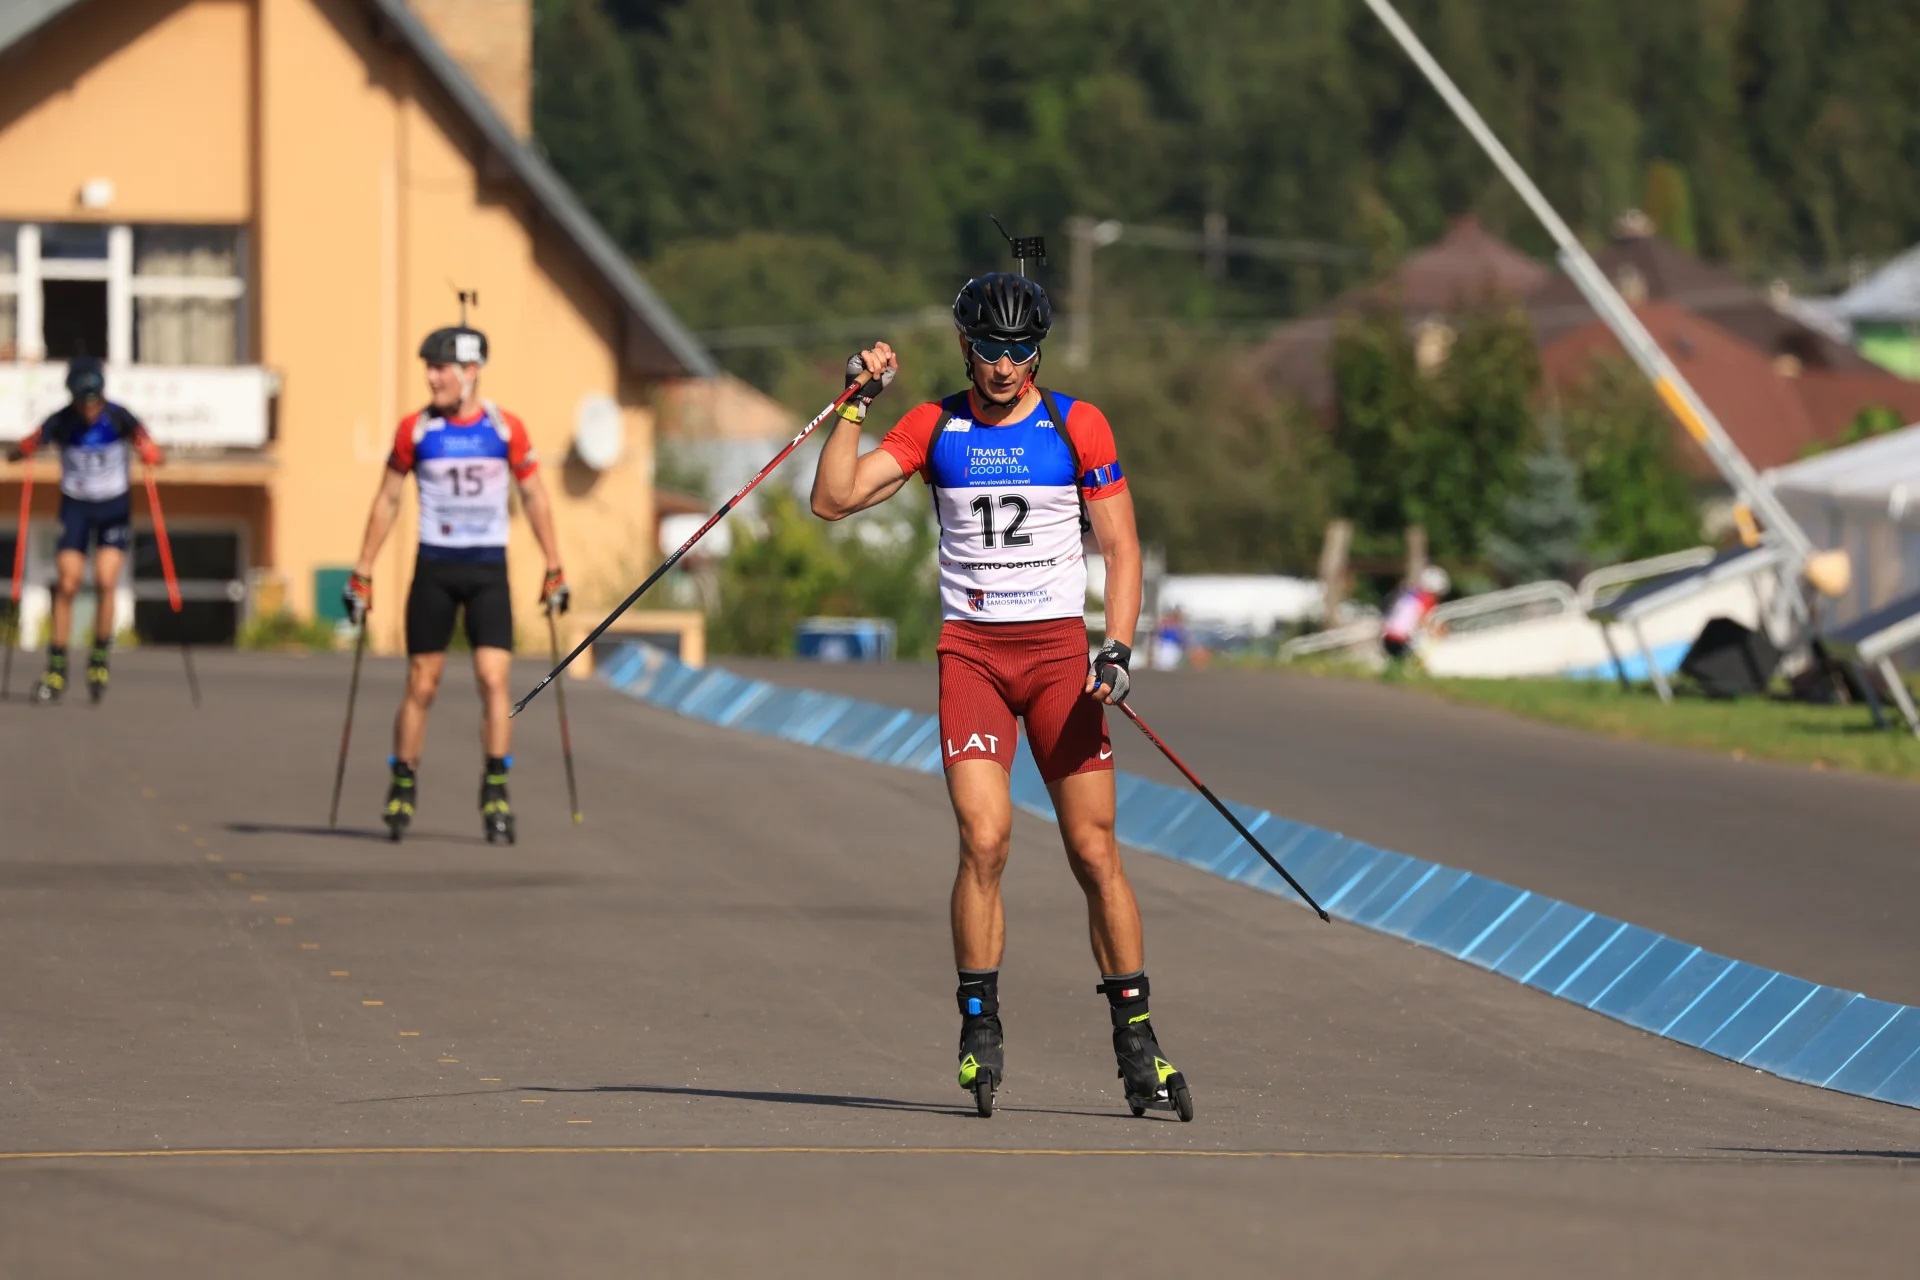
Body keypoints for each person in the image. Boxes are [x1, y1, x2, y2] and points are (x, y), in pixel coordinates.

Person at [809, 272, 1190, 1119]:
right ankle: (979, 1027)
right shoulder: (934, 424)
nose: (1006, 366)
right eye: (990, 349)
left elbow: (1122, 550)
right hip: (974, 657)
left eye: (1022, 351)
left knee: (1095, 853)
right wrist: (854, 403)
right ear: (964, 346)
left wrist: (1118, 649)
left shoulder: (1075, 424)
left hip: (1059, 657)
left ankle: (1140, 1044)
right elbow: (832, 500)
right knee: (985, 839)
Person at [343, 324, 569, 844]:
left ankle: (495, 787)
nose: (430, 378)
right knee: (422, 682)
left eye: (440, 368)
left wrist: (553, 562)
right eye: (427, 367)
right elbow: (388, 500)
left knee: (494, 679)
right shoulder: (416, 431)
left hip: (488, 570)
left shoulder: (505, 428)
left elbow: (535, 496)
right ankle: (403, 779)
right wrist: (364, 569)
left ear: (471, 373)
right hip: (435, 569)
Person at [5, 357, 162, 703]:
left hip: (113, 507)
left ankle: (99, 657)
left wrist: (151, 452)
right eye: (82, 402)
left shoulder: (120, 417)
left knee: (106, 580)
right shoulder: (61, 421)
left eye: (94, 401)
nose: (89, 409)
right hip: (76, 506)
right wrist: (24, 449)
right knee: (68, 582)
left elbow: (150, 446)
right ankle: (57, 666)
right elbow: (18, 452)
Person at [1381, 564, 1449, 666]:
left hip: (1388, 637)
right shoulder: (1426, 599)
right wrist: (1435, 630)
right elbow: (1421, 619)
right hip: (1402, 640)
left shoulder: (1409, 595)